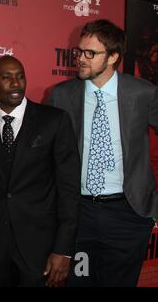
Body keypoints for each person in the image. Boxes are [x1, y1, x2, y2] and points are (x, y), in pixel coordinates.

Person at [48, 19, 158, 286]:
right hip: (80, 216)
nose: (81, 59)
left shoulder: (142, 93)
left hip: (128, 216)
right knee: (80, 280)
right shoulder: (62, 95)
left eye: (91, 53)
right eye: (79, 51)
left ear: (113, 57)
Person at [0, 55, 81, 287]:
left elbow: (69, 191)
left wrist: (63, 250)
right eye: (6, 77)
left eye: (20, 76)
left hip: (39, 248)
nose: (16, 83)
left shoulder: (54, 120)